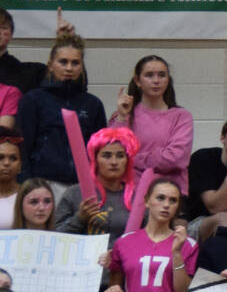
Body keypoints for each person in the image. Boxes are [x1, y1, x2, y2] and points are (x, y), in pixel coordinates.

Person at [103, 182, 195, 292]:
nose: (166, 205)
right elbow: (115, 286)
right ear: (146, 201)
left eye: (173, 200)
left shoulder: (188, 244)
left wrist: (176, 253)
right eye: (160, 198)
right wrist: (112, 291)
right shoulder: (124, 242)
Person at [16, 34, 107, 196]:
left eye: (75, 63)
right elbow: (23, 147)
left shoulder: (93, 104)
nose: (69, 68)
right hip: (44, 184)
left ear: (81, 67)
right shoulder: (33, 100)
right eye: (63, 62)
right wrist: (27, 185)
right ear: (50, 65)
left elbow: (100, 151)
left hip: (84, 185)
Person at [109, 57, 193, 225]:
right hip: (130, 196)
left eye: (162, 75)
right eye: (149, 75)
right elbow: (113, 155)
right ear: (138, 81)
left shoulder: (181, 117)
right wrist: (123, 117)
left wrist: (135, 158)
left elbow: (175, 159)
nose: (156, 80)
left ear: (168, 80)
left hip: (170, 197)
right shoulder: (123, 115)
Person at [55, 129, 136, 243]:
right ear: (95, 160)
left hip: (123, 259)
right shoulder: (74, 193)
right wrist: (79, 219)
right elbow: (55, 237)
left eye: (120, 156)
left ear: (127, 160)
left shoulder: (137, 197)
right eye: (106, 156)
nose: (114, 162)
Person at [0, 138, 22, 227]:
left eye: (13, 158)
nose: (6, 163)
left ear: (20, 166)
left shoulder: (30, 197)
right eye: (0, 157)